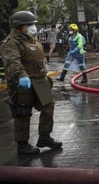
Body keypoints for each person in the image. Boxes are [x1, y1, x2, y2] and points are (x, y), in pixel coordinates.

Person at [0, 11, 62, 154]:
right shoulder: (11, 43)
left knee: (48, 108)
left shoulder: (32, 40)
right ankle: (22, 145)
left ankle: (45, 137)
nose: (33, 27)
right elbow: (12, 61)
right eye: (30, 24)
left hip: (40, 82)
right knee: (23, 113)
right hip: (23, 84)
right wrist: (21, 75)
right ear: (19, 26)